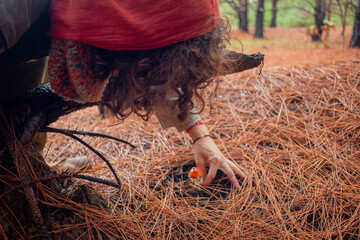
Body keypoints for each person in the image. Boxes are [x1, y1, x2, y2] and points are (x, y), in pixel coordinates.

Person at [1, 0, 247, 189]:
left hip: (32, 40)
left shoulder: (112, 13)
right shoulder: (12, 11)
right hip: (13, 31)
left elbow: (155, 65)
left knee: (18, 129)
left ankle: (26, 174)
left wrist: (200, 137)